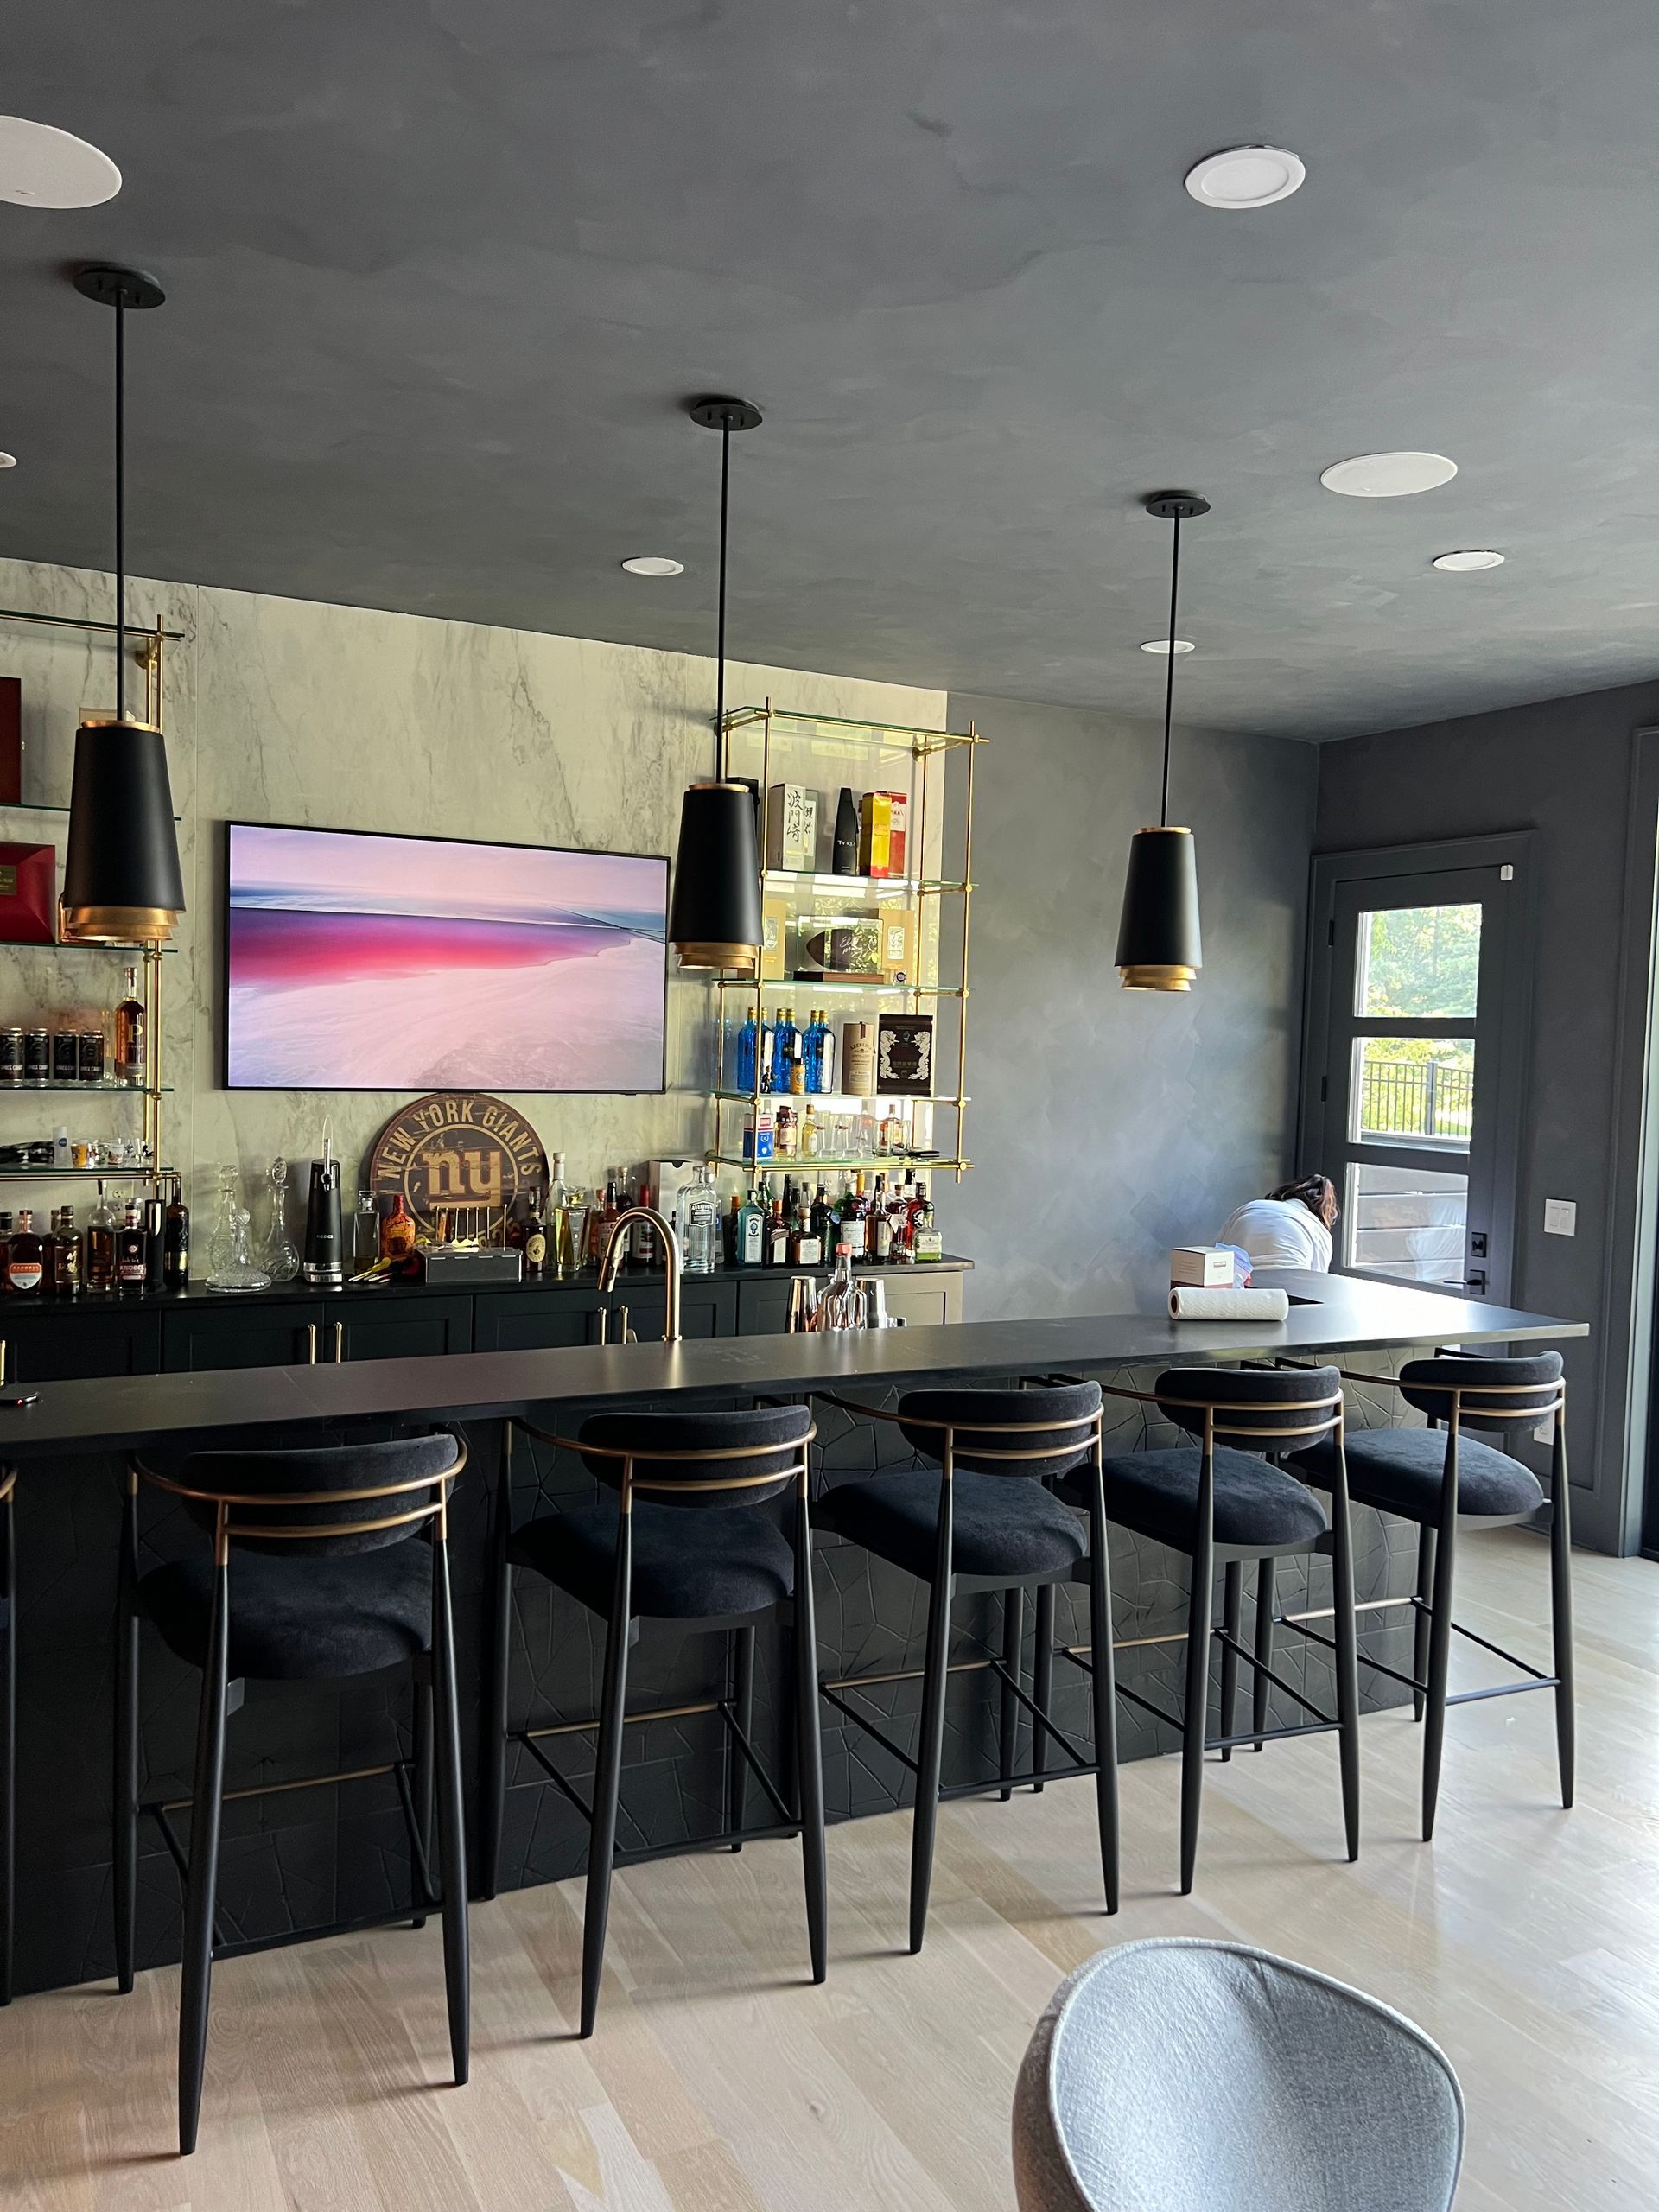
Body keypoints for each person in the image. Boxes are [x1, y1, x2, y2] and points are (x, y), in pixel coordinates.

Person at [1219, 1175, 1338, 1274]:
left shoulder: (1250, 1207)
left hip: (1237, 1287)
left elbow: (1216, 1252)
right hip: (1288, 1290)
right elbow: (1317, 1280)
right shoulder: (1317, 1228)